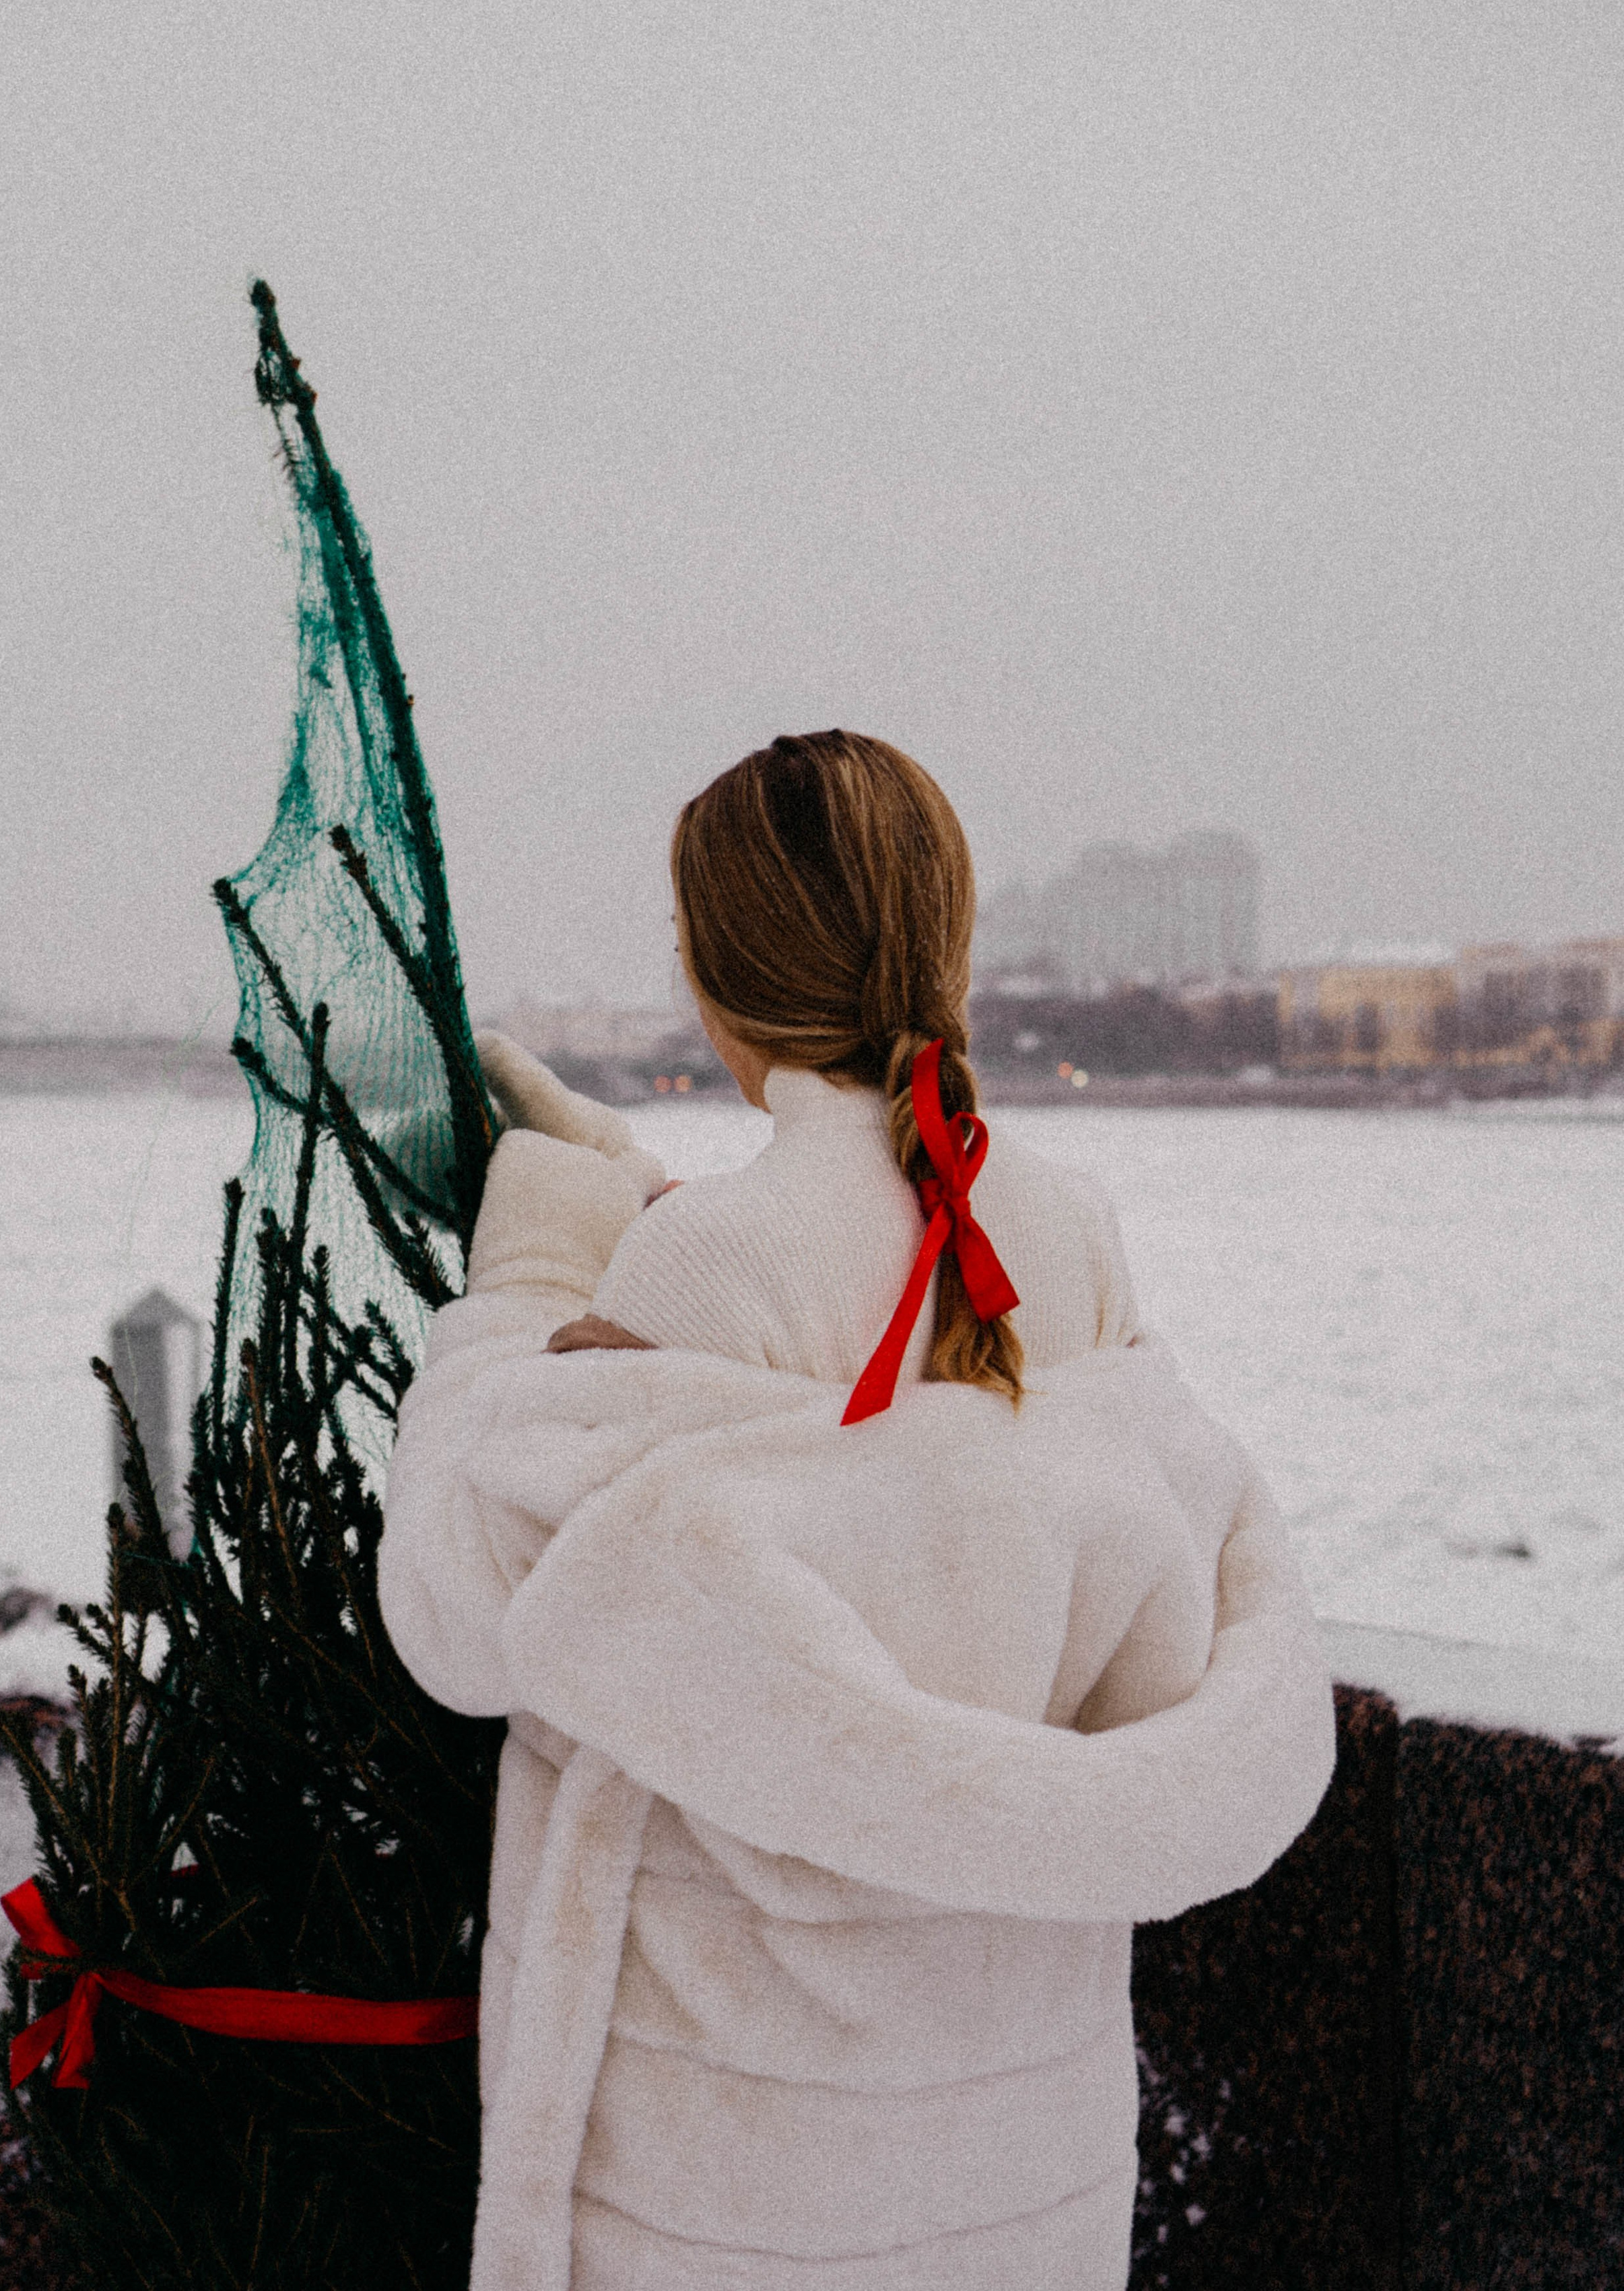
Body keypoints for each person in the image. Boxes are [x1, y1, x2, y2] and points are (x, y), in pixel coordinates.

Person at [378, 730, 1335, 2291]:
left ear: (711, 973)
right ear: (944, 939)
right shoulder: (1066, 1234)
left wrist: (531, 1274)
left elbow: (467, 1603)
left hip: (728, 2183)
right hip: (1015, 2172)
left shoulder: (706, 1263)